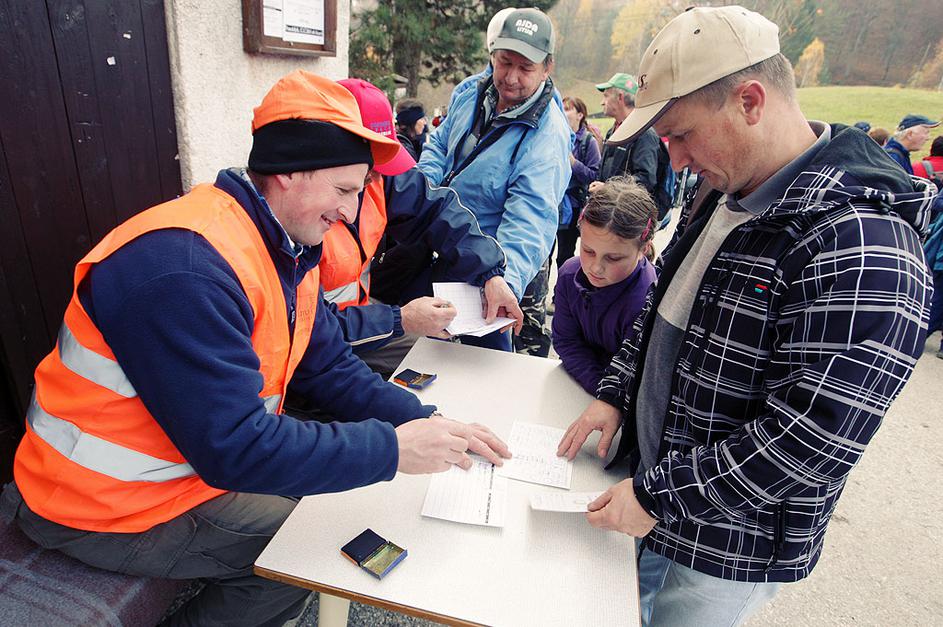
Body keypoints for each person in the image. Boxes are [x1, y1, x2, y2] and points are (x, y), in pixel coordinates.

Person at [1, 71, 512, 627]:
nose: (350, 212)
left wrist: (425, 421)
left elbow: (328, 367)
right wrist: (392, 449)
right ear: (289, 171)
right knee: (306, 549)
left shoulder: (283, 246)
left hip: (172, 472)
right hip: (96, 502)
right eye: (344, 191)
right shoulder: (184, 270)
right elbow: (236, 448)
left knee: (319, 510)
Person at [556, 6, 934, 626]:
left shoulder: (863, 245)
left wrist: (659, 496)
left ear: (750, 102)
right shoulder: (727, 190)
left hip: (726, 546)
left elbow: (811, 437)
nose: (676, 159)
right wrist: (615, 395)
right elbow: (660, 314)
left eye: (682, 134)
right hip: (656, 495)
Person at [318, 78, 522, 378]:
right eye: (370, 165)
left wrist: (490, 273)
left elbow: (435, 210)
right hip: (319, 347)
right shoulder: (297, 215)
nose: (373, 179)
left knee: (440, 359)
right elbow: (307, 328)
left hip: (357, 322)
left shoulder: (380, 178)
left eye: (380, 163)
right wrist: (399, 319)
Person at [416, 7, 570, 353]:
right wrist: (423, 193)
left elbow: (530, 219)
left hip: (485, 276)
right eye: (504, 62)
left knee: (481, 366)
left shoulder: (547, 136)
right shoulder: (471, 93)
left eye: (525, 68)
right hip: (438, 251)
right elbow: (438, 146)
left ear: (547, 67)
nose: (511, 77)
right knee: (426, 358)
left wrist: (503, 279)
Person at [552, 177, 657, 395]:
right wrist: (599, 388)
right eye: (588, 251)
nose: (596, 268)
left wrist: (608, 398)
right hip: (582, 387)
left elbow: (636, 371)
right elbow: (566, 341)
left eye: (614, 258)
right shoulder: (569, 275)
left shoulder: (648, 300)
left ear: (643, 249)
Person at [593, 73, 674, 222]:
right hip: (613, 214)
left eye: (606, 96)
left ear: (620, 97)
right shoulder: (613, 131)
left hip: (629, 220)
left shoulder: (644, 133)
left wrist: (608, 189)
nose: (602, 102)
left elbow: (646, 179)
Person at [556, 96, 601, 270]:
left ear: (580, 115)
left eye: (568, 109)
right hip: (555, 203)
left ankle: (563, 285)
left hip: (574, 207)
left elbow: (594, 175)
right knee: (545, 254)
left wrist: (574, 163)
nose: (563, 111)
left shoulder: (588, 142)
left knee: (565, 254)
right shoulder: (558, 136)